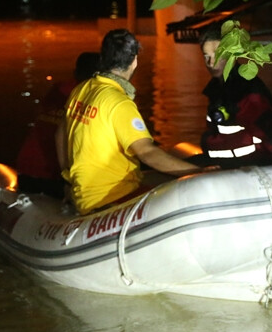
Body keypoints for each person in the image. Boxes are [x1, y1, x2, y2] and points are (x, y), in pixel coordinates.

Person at [57, 29, 207, 214]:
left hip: (84, 195)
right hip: (113, 197)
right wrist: (200, 174)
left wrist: (68, 179)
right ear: (134, 60)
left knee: (158, 177)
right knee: (185, 188)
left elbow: (60, 135)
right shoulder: (119, 103)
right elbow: (146, 153)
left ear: (103, 57)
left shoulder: (81, 90)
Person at [197, 24, 272, 167]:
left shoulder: (246, 88)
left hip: (251, 164)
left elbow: (271, 125)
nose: (211, 63)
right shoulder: (215, 90)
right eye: (206, 56)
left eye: (218, 55)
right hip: (224, 163)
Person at [15, 51, 100, 198]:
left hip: (25, 170)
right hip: (54, 176)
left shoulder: (57, 89)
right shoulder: (89, 98)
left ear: (75, 72)